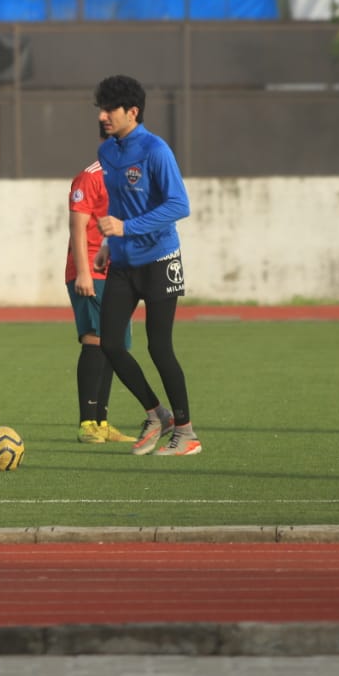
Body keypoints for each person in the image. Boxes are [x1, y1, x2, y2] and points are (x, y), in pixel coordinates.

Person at [91, 74, 200, 456]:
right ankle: (157, 414)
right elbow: (118, 205)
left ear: (132, 111)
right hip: (122, 261)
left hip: (159, 259)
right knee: (109, 344)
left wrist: (127, 228)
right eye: (100, 108)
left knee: (159, 347)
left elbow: (178, 205)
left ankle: (186, 433)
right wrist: (108, 242)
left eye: (110, 109)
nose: (102, 115)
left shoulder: (156, 150)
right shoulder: (108, 151)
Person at [67, 146, 135, 445]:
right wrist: (83, 272)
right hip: (90, 271)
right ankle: (86, 423)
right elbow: (78, 226)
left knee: (114, 345)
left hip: (116, 271)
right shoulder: (89, 177)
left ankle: (102, 423)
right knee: (95, 340)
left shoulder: (126, 178)